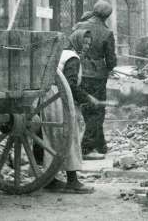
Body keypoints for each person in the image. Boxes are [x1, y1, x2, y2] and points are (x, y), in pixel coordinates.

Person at [42, 28, 106, 193]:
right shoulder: (73, 58)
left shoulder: (61, 54)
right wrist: (87, 98)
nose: (86, 46)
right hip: (60, 100)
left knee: (52, 139)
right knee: (71, 137)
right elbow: (70, 85)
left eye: (88, 43)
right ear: (76, 40)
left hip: (49, 100)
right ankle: (72, 181)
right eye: (84, 42)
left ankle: (50, 179)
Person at [74, 0, 117, 159]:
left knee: (87, 108)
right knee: (97, 112)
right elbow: (111, 61)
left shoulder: (79, 26)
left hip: (78, 72)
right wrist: (110, 67)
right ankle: (87, 148)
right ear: (107, 17)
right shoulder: (107, 33)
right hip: (97, 76)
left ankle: (100, 145)